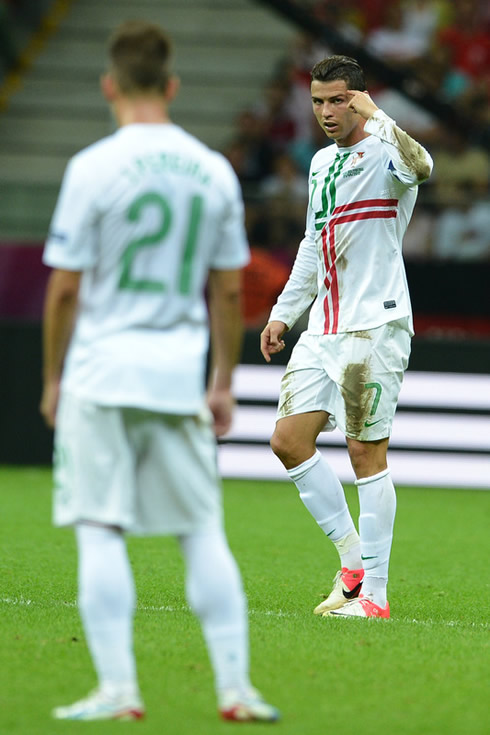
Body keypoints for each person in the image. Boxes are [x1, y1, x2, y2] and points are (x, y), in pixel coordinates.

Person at [40, 20, 279, 723]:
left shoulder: (92, 167)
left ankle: (119, 689)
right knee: (202, 530)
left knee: (99, 526)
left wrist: (53, 377)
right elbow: (230, 288)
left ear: (110, 85)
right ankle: (235, 688)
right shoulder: (211, 168)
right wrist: (223, 380)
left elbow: (63, 289)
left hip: (100, 371)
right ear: (172, 86)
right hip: (177, 374)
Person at [260, 55, 432, 619]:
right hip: (323, 328)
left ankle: (375, 597)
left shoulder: (388, 153)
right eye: (318, 101)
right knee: (288, 440)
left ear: (359, 98)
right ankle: (353, 561)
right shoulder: (317, 164)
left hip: (375, 324)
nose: (327, 112)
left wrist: (377, 114)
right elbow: (314, 242)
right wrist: (284, 313)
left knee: (365, 451)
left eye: (338, 100)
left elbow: (424, 165)